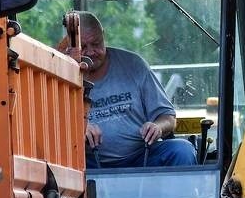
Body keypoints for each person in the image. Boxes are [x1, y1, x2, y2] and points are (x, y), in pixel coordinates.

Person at [59, 11, 195, 168]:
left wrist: (157, 127)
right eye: (83, 47)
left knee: (182, 150)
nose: (90, 52)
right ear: (69, 45)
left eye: (96, 44)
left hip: (141, 158)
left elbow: (168, 118)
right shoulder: (59, 74)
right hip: (87, 164)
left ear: (103, 36)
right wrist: (78, 129)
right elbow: (50, 130)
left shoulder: (134, 65)